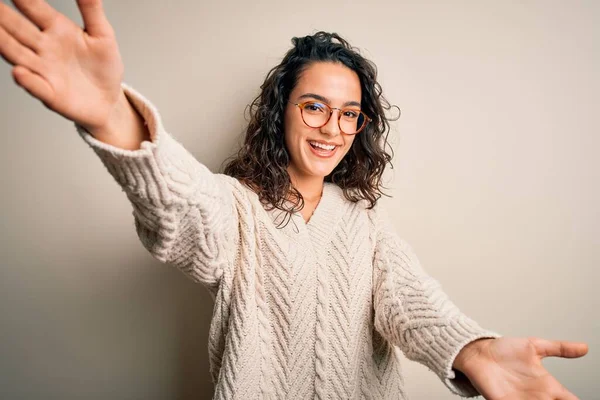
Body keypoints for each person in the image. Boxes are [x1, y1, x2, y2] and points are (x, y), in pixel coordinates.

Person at [0, 1, 589, 399]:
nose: (333, 127)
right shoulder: (236, 210)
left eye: (350, 114)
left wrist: (473, 349)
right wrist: (112, 116)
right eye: (314, 105)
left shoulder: (365, 226)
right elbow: (182, 215)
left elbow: (414, 306)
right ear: (280, 112)